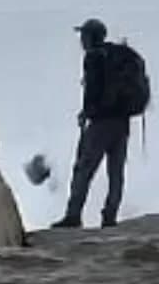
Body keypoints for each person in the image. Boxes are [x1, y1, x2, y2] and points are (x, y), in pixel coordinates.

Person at [51, 17, 131, 230]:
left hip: (101, 125)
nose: (81, 40)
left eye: (84, 36)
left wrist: (86, 113)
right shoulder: (116, 55)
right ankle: (110, 217)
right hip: (122, 123)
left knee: (83, 169)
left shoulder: (93, 58)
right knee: (116, 172)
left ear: (91, 37)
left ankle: (73, 215)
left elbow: (93, 90)